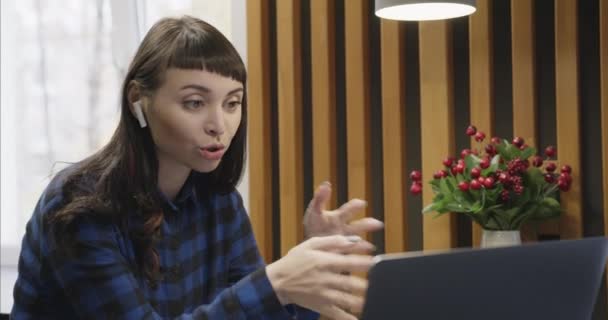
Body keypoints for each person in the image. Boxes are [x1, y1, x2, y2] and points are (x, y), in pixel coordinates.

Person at [11, 16, 383, 320]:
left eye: (232, 103)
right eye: (194, 103)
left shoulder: (219, 203)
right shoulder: (78, 205)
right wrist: (276, 281)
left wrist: (311, 267)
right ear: (139, 101)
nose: (219, 125)